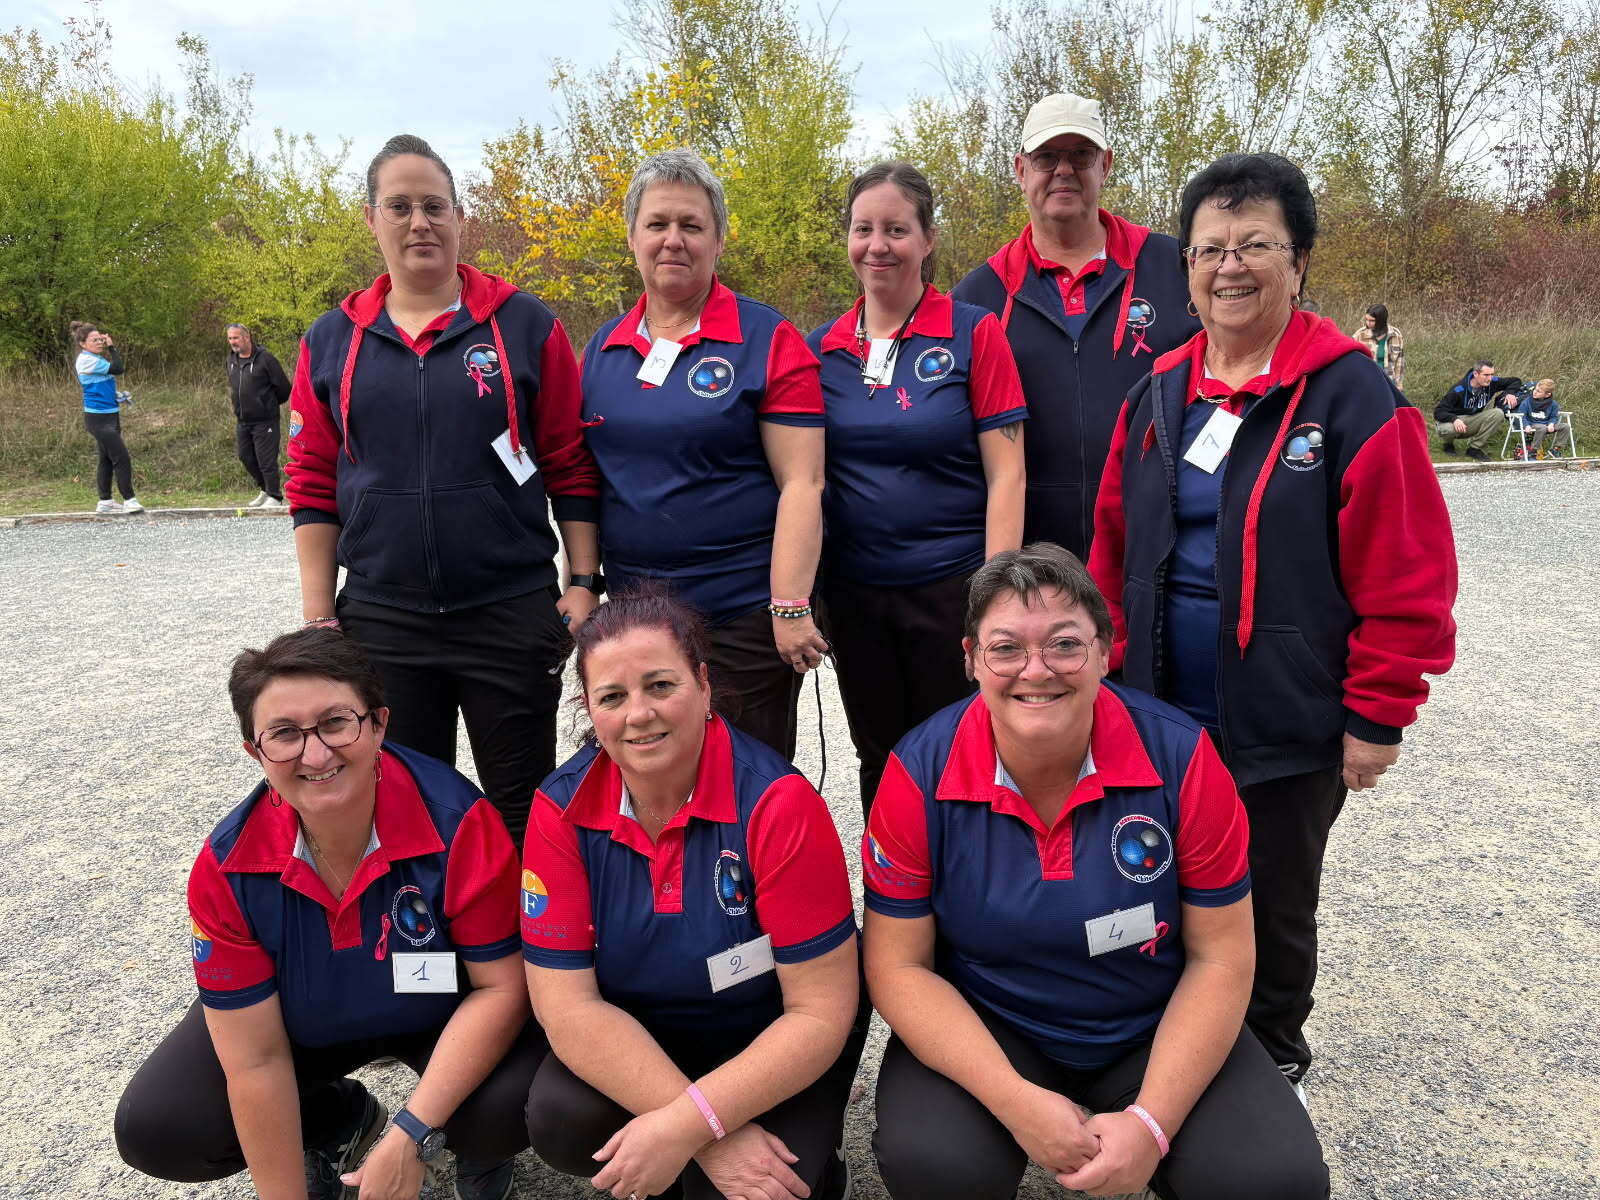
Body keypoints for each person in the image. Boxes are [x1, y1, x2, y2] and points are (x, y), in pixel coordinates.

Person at [1089, 153, 1458, 1092]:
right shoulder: (1159, 395)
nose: (1230, 265)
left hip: (1283, 719)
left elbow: (1408, 573)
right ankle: (1165, 1059)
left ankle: (1268, 1065)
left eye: (1255, 243)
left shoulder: (1351, 399)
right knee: (1158, 882)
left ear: (1299, 262)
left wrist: (1379, 712)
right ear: (1185, 268)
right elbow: (1111, 543)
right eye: (1210, 247)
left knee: (1272, 901)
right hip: (1158, 709)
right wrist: (1101, 669)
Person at [864, 546, 1328, 1200]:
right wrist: (1015, 1102)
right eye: (1005, 649)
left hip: (1148, 1023)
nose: (1037, 670)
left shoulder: (1182, 759)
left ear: (1106, 651)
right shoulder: (918, 771)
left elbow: (1223, 956)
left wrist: (1151, 1123)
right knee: (935, 1164)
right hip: (996, 1021)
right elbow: (897, 967)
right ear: (970, 659)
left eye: (1064, 644)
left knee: (1274, 1182)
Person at [114, 627, 542, 1200]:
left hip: (443, 1015)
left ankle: (473, 1148)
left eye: (337, 723)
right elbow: (256, 1061)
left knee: (518, 1097)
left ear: (380, 723)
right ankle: (339, 1122)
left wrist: (412, 1133)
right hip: (307, 1026)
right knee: (162, 1127)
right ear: (255, 751)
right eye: (285, 734)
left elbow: (502, 989)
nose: (315, 754)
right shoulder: (226, 867)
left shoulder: (460, 822)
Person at [285, 133, 600, 843]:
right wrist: (318, 621)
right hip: (384, 619)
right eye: (399, 206)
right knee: (405, 810)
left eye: (434, 206)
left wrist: (582, 581)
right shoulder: (330, 340)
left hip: (508, 613)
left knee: (521, 810)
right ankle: (428, 954)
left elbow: (567, 460)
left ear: (460, 217)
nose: (418, 222)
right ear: (372, 220)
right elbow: (309, 480)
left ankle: (529, 954)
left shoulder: (524, 324)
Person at [522, 585, 862, 1200]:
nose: (639, 714)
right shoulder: (559, 807)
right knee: (559, 1116)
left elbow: (820, 1011)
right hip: (648, 1040)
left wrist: (687, 1124)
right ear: (589, 709)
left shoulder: (778, 803)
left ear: (703, 685)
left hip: (772, 1044)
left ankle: (809, 1164)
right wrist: (707, 1134)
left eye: (660, 685)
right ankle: (680, 1162)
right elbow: (565, 1007)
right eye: (613, 697)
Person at [579, 148, 829, 759]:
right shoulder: (600, 352)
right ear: (632, 236)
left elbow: (804, 482)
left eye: (691, 225)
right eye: (657, 224)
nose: (673, 240)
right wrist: (582, 582)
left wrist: (790, 605)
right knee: (654, 776)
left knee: (748, 780)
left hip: (742, 614)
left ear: (718, 240)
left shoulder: (768, 339)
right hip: (637, 623)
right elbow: (583, 478)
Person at [807, 161, 1027, 814]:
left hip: (952, 590)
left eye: (896, 229)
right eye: (863, 229)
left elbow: (1008, 473)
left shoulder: (974, 333)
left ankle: (965, 907)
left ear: (927, 240)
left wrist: (995, 597)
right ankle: (893, 905)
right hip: (855, 597)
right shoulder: (819, 351)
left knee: (964, 753)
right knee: (880, 757)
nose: (878, 245)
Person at [952, 92, 1198, 560]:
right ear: (1020, 170)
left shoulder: (1177, 268)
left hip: (1161, 543)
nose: (1063, 170)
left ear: (1105, 166)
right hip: (1033, 557)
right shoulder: (978, 297)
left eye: (1080, 156)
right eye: (1046, 157)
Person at [72, 320, 142, 514]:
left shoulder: (97, 359)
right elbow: (119, 368)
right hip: (98, 419)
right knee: (121, 457)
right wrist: (112, 347)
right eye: (94, 340)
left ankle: (105, 501)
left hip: (111, 414)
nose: (100, 342)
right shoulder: (87, 359)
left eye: (101, 339)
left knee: (106, 459)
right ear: (82, 344)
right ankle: (129, 500)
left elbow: (101, 385)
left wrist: (117, 396)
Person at [227, 322, 292, 507]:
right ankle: (264, 489)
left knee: (266, 459)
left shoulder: (266, 359)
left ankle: (275, 496)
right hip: (242, 420)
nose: (233, 342)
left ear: (246, 337)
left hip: (265, 420)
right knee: (245, 456)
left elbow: (284, 389)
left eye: (236, 337)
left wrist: (266, 404)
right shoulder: (231, 360)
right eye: (230, 338)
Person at [1433, 360, 1523, 460]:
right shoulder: (1458, 389)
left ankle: (1474, 449)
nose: (1490, 378)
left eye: (1491, 374)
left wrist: (1509, 393)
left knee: (1498, 414)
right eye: (1486, 375)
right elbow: (1438, 411)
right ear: (1476, 374)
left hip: (1472, 420)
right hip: (1453, 422)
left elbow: (1515, 381)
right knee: (1449, 429)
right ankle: (1448, 444)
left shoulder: (1492, 382)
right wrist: (1454, 419)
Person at [1351, 303, 1405, 390]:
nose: (1368, 323)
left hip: (1389, 383)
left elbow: (1400, 361)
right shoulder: (1359, 335)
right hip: (1366, 383)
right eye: (1366, 320)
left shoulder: (1395, 335)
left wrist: (1399, 384)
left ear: (1381, 320)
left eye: (1371, 320)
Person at [1511, 378, 1563, 459]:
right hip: (1532, 425)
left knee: (1565, 427)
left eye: (1539, 391)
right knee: (1541, 427)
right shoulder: (1527, 402)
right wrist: (1526, 426)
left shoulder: (1553, 404)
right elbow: (1522, 415)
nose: (1535, 392)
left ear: (1547, 395)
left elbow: (1554, 416)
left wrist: (1551, 424)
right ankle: (1533, 451)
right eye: (1535, 389)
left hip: (1546, 425)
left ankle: (1556, 449)